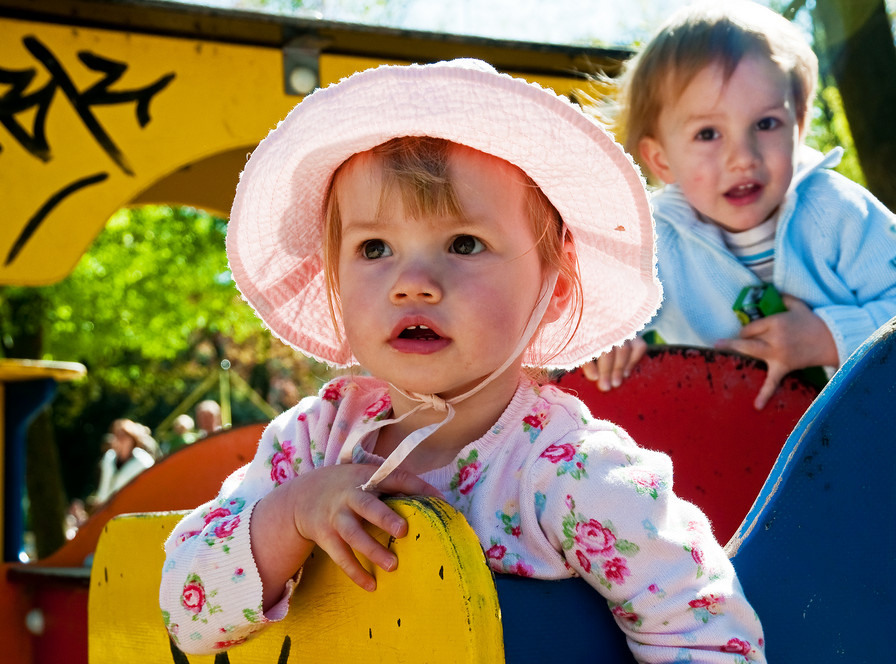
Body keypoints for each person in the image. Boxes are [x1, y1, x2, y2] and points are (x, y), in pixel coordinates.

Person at [159, 59, 765, 662]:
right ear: (334, 282)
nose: (413, 283)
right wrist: (292, 514)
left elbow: (705, 629)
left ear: (553, 286)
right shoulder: (313, 444)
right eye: (375, 248)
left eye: (464, 243)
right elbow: (184, 611)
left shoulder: (568, 474)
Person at [583, 0, 896, 408]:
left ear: (799, 125)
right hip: (733, 439)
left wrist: (828, 337)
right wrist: (607, 340)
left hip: (862, 427)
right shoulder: (654, 244)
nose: (743, 156)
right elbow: (593, 312)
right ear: (662, 160)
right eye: (707, 134)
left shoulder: (837, 211)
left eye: (766, 123)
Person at [92, 418, 159, 506]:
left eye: (124, 435)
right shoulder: (109, 458)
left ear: (132, 438)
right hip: (107, 508)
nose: (120, 439)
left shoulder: (144, 462)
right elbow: (104, 486)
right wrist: (100, 501)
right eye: (117, 435)